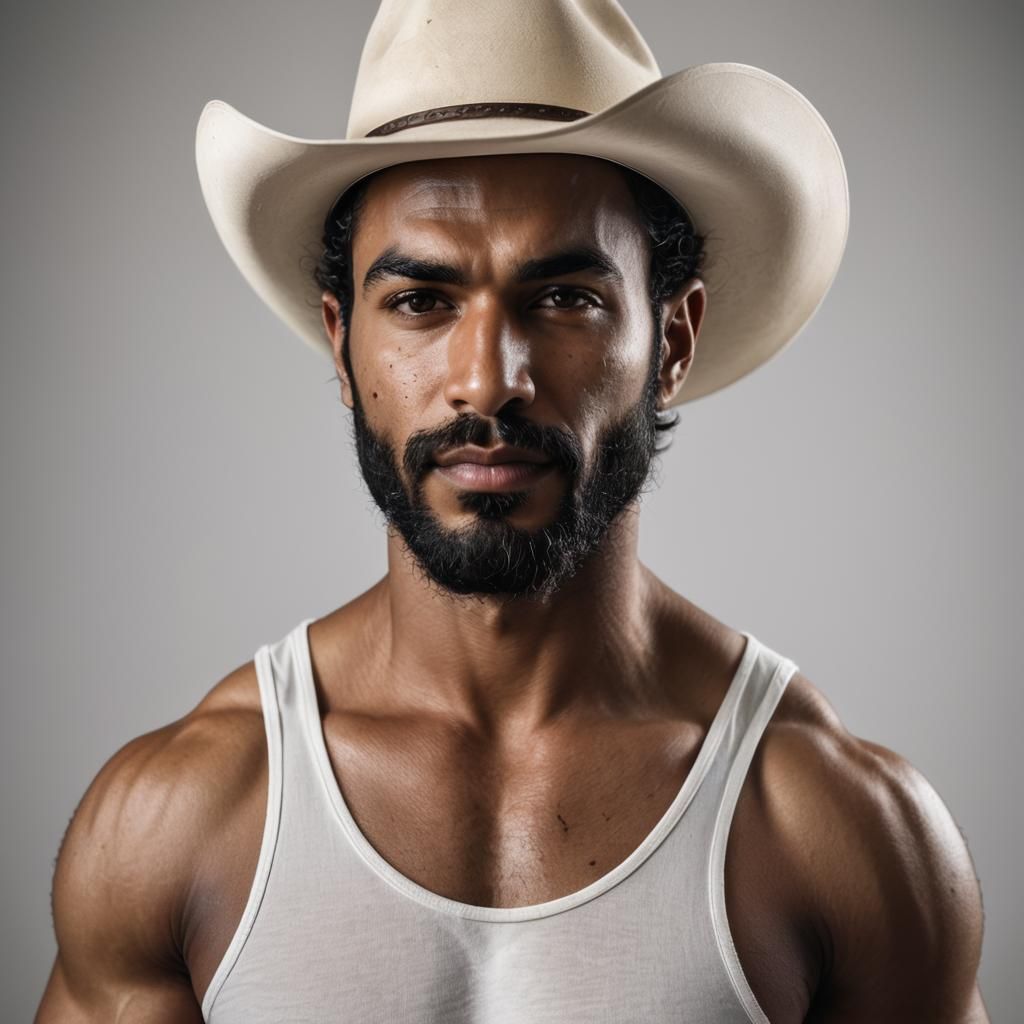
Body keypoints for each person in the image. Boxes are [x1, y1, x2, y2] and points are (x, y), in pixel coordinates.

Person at [36, 1, 989, 1021]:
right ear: (341, 342)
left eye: (565, 298)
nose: (486, 382)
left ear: (672, 339)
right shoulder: (182, 818)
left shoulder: (830, 825)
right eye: (420, 301)